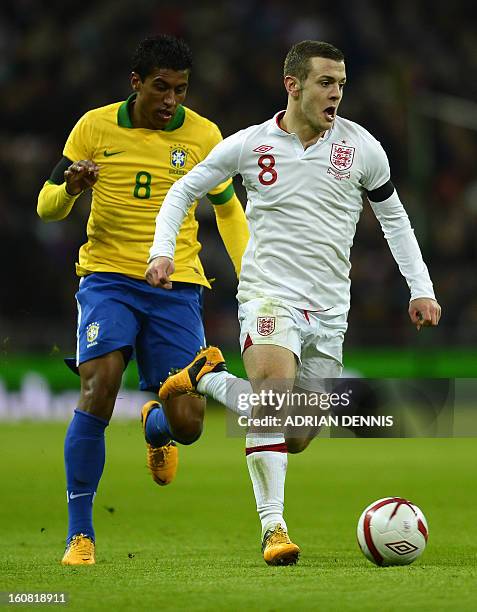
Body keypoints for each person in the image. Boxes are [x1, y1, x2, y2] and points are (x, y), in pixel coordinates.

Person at [145, 40, 441, 566]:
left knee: (298, 433)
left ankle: (207, 375)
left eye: (342, 85)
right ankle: (273, 528)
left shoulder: (363, 149)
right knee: (275, 399)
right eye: (326, 83)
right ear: (293, 85)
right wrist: (162, 252)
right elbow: (182, 192)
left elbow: (395, 219)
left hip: (330, 311)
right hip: (269, 295)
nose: (336, 95)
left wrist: (421, 288)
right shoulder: (249, 145)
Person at [36, 34, 249, 565]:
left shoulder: (204, 136)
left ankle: (157, 429)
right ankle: (80, 535)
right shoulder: (93, 127)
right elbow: (46, 207)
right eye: (161, 87)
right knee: (99, 386)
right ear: (136, 83)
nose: (171, 99)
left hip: (176, 287)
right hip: (107, 278)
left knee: (189, 424)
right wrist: (72, 188)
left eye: (180, 89)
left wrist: (253, 276)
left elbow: (227, 210)